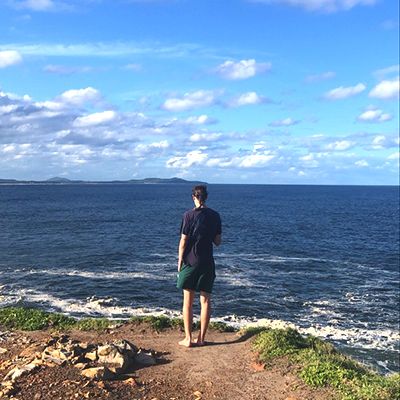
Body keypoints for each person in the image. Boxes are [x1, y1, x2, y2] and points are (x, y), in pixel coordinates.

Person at [176, 185, 222, 347]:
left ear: (193, 197)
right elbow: (217, 242)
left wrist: (180, 260)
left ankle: (188, 339)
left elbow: (183, 241)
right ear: (206, 197)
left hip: (190, 261)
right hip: (207, 262)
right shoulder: (215, 216)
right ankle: (201, 339)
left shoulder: (188, 216)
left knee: (187, 301)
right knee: (205, 301)